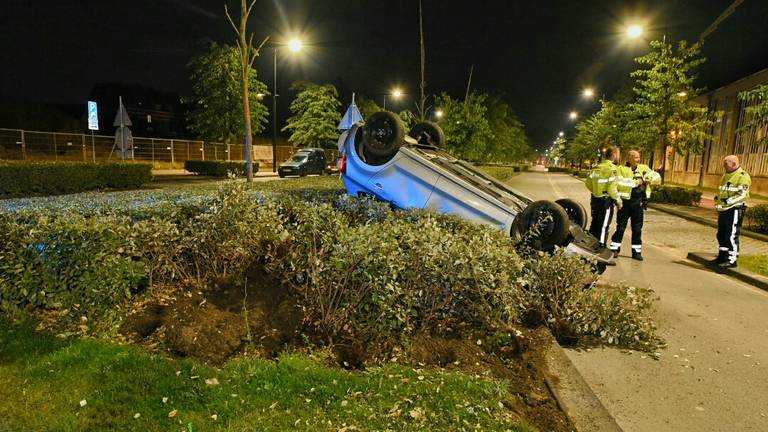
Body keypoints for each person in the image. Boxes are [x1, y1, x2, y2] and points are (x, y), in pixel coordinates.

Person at [609, 150, 661, 260]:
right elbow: (620, 184)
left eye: (638, 157)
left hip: (639, 202)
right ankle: (614, 249)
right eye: (636, 157)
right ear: (629, 158)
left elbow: (656, 177)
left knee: (637, 228)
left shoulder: (644, 168)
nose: (638, 159)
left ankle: (636, 252)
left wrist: (651, 179)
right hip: (625, 202)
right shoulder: (621, 170)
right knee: (621, 227)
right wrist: (638, 182)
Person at [714, 155, 751, 268]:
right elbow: (722, 191)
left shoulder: (743, 176)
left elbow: (743, 194)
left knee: (731, 234)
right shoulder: (726, 175)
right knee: (722, 233)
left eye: (726, 164)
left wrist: (728, 201)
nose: (724, 166)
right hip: (724, 209)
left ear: (734, 164)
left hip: (735, 208)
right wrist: (717, 201)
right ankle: (722, 256)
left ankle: (732, 259)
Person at [585, 146, 622, 248]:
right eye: (618, 154)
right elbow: (612, 189)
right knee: (604, 226)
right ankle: (600, 249)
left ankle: (590, 246)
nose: (619, 156)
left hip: (595, 199)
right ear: (614, 155)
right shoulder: (612, 169)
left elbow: (588, 183)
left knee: (595, 223)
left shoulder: (597, 167)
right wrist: (619, 201)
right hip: (605, 202)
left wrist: (596, 191)